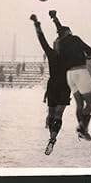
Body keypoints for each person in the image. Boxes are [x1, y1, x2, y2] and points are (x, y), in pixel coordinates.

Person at [49, 10, 91, 141]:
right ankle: (82, 128)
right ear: (69, 32)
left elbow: (61, 30)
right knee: (90, 102)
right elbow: (90, 51)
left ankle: (82, 130)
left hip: (69, 76)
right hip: (80, 72)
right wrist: (88, 57)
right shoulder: (75, 39)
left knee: (80, 104)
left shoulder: (59, 44)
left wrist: (55, 19)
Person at [30, 14, 71, 155]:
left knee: (55, 115)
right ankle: (52, 138)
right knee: (54, 115)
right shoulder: (61, 54)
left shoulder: (57, 53)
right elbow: (45, 38)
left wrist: (39, 24)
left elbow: (46, 38)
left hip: (58, 85)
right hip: (60, 86)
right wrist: (52, 20)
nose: (56, 42)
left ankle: (52, 139)